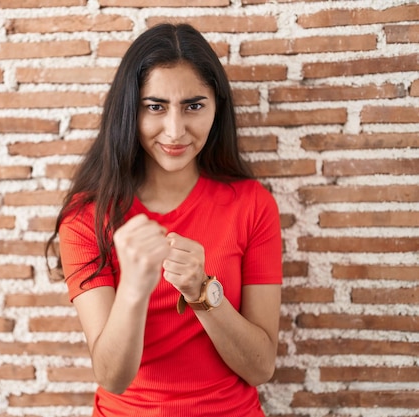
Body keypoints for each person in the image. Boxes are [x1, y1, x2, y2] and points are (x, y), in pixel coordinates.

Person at [46, 22, 283, 417]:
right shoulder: (87, 217)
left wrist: (202, 291)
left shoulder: (252, 204)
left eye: (193, 105)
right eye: (155, 107)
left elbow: (261, 367)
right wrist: (135, 287)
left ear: (216, 107)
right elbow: (112, 376)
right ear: (129, 110)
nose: (175, 131)